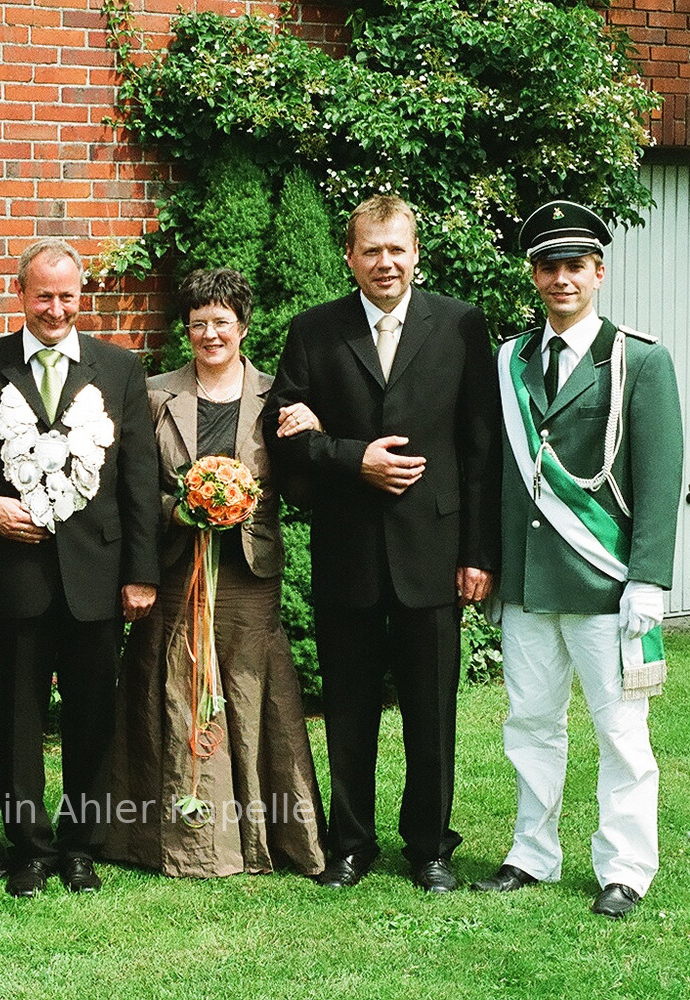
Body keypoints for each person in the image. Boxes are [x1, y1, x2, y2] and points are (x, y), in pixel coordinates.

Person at [269, 194, 500, 893]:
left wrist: (478, 553)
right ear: (350, 257)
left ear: (416, 252)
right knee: (347, 710)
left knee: (432, 712)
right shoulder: (314, 331)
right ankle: (350, 844)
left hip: (434, 551)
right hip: (349, 551)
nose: (385, 262)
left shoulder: (460, 325)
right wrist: (351, 457)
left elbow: (481, 448)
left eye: (396, 248)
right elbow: (284, 440)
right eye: (371, 250)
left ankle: (430, 847)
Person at [470, 201, 683, 919]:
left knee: (620, 735)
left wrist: (647, 580)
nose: (561, 278)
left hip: (604, 583)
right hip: (530, 582)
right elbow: (495, 471)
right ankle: (531, 853)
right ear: (534, 276)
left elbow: (658, 477)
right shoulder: (510, 360)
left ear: (599, 272)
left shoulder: (639, 360)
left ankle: (624, 868)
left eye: (574, 266)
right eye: (548, 266)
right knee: (530, 724)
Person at [0, 238, 160, 897]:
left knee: (92, 715)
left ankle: (81, 845)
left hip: (98, 572)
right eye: (43, 295)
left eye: (67, 296)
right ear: (20, 293)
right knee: (18, 717)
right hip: (17, 574)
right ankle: (29, 849)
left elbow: (139, 479)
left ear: (80, 295)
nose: (56, 308)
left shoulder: (119, 369)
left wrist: (141, 572)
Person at [104, 268, 325, 878]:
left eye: (221, 322)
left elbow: (301, 483)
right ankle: (163, 839)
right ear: (186, 329)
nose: (210, 334)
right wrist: (183, 508)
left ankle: (260, 837)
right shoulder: (154, 394)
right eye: (198, 323)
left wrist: (314, 431)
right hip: (178, 566)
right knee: (174, 685)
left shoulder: (277, 396)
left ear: (243, 326)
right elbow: (133, 486)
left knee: (251, 695)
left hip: (250, 575)